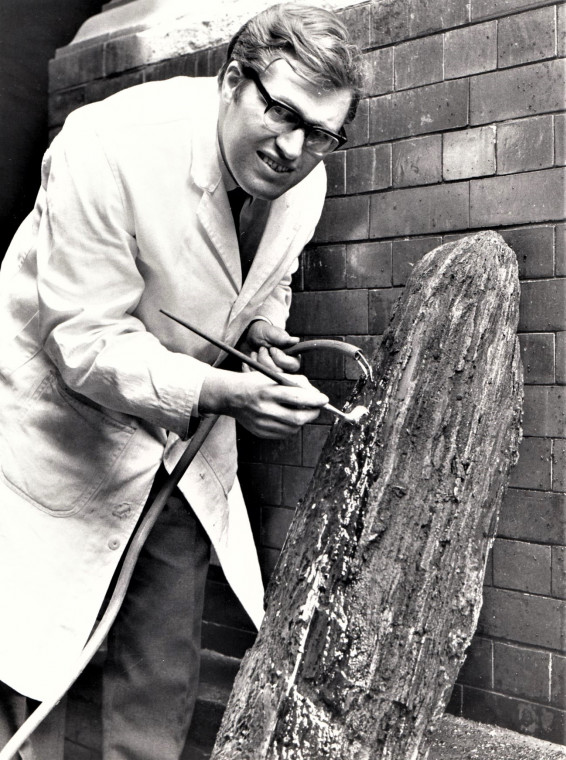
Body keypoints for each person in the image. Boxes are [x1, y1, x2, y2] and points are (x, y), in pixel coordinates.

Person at [0, 3, 363, 758]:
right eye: (282, 112)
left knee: (161, 667)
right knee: (36, 671)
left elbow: (267, 280)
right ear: (233, 80)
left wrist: (261, 336)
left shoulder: (304, 179)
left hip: (175, 436)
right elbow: (87, 341)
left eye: (322, 132)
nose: (296, 148)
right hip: (61, 425)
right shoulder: (109, 146)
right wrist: (222, 392)